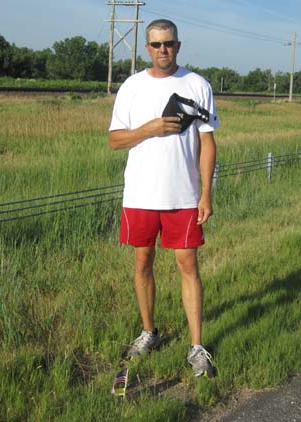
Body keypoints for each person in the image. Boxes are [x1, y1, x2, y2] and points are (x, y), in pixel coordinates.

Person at [108, 19, 219, 377]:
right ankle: (148, 332)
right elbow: (115, 140)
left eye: (168, 43)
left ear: (178, 45)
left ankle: (197, 347)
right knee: (142, 263)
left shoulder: (197, 84)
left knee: (188, 266)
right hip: (140, 194)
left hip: (183, 196)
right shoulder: (132, 86)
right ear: (147, 48)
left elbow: (207, 143)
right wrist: (150, 128)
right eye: (156, 44)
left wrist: (206, 193)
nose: (163, 50)